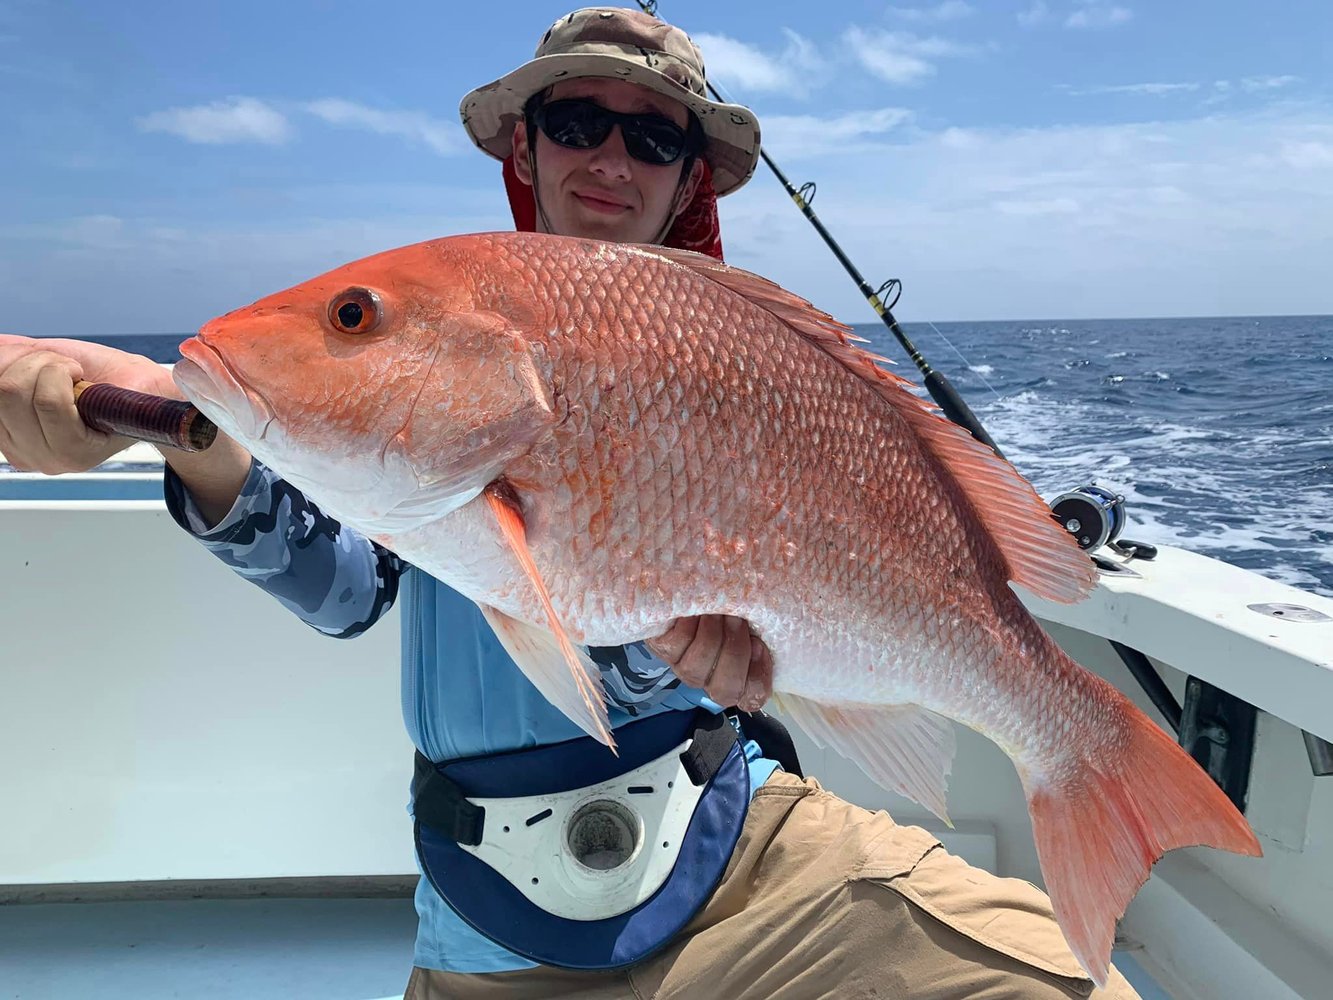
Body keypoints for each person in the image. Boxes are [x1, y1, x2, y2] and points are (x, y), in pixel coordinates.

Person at [0, 8, 1141, 999]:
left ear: (687, 178)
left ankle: (1084, 754)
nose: (610, 157)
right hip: (502, 935)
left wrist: (730, 663)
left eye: (651, 137)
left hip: (739, 858)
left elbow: (650, 628)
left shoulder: (734, 344)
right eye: (574, 122)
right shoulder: (449, 360)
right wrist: (200, 447)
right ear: (524, 149)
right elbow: (353, 595)